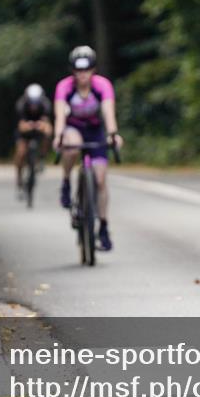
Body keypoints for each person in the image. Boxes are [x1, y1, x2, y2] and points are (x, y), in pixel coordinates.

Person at [52, 46, 124, 251]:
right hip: (73, 128)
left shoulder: (102, 85)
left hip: (95, 130)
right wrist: (58, 136)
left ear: (93, 69)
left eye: (86, 69)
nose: (82, 74)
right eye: (78, 70)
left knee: (100, 179)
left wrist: (113, 134)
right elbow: (60, 115)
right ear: (72, 71)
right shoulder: (65, 87)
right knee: (72, 146)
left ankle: (103, 226)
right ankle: (66, 181)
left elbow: (108, 112)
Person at [13, 83, 52, 199]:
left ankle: (42, 158)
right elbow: (21, 126)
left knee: (48, 134)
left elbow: (47, 125)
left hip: (38, 130)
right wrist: (29, 125)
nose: (34, 106)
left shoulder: (45, 104)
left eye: (36, 103)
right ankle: (19, 181)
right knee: (20, 153)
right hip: (24, 133)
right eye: (31, 103)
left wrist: (41, 126)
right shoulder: (21, 105)